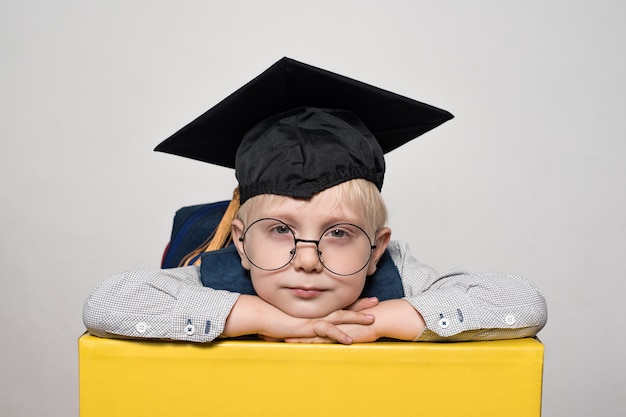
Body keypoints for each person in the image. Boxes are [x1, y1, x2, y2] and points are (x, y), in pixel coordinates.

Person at [83, 58, 547, 344]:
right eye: (280, 229)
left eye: (340, 233)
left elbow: (524, 303)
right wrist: (261, 317)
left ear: (377, 249)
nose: (307, 261)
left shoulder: (402, 282)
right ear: (242, 243)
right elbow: (107, 305)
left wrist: (390, 317)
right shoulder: (211, 278)